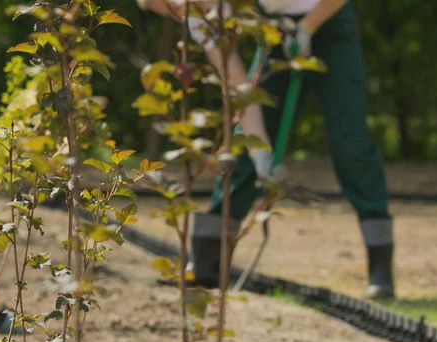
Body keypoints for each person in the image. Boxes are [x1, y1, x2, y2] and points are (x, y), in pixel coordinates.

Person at [139, 0, 397, 299]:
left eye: (175, 5)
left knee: (349, 143)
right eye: (169, 11)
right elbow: (237, 87)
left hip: (331, 24)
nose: (181, 13)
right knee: (245, 144)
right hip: (276, 34)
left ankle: (380, 267)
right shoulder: (202, 16)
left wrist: (308, 26)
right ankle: (207, 259)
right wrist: (260, 152)